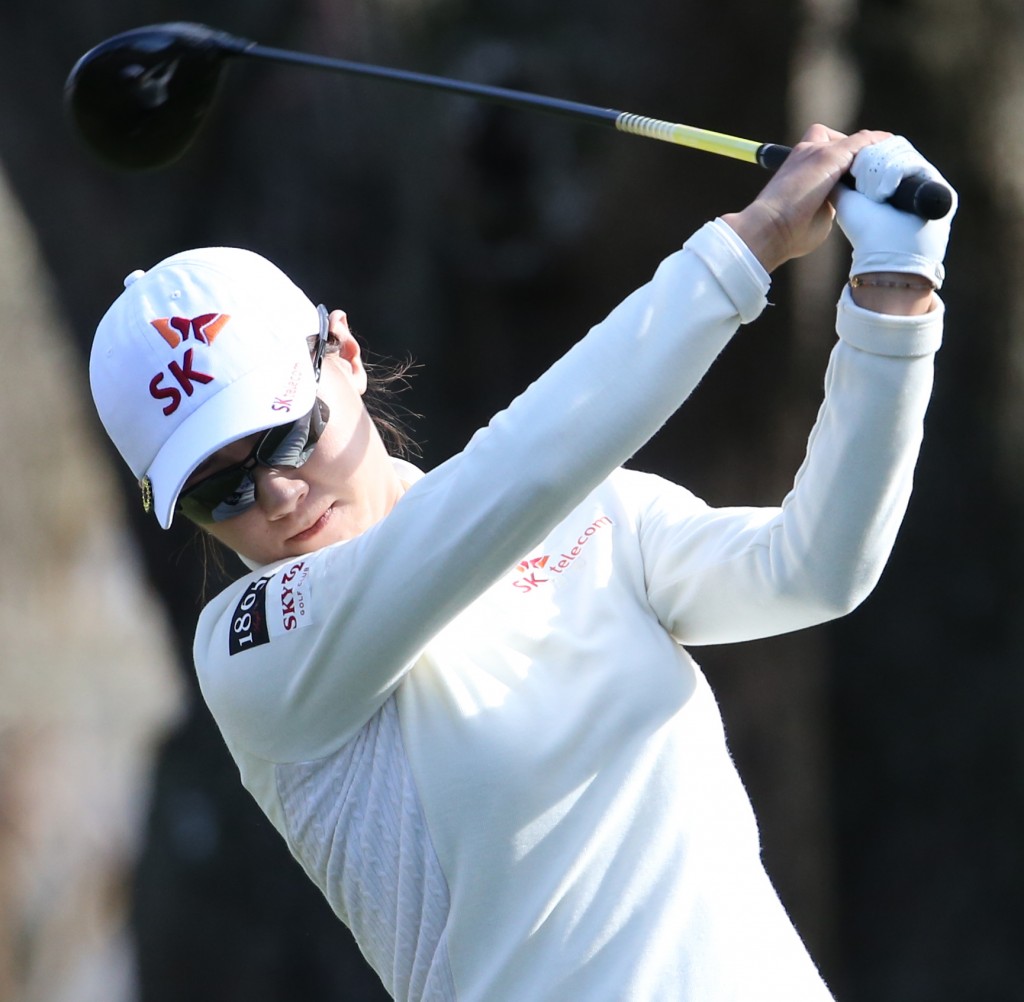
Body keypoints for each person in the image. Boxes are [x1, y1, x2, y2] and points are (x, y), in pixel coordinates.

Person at [89, 125, 954, 1001]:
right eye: (219, 490)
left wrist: (894, 291)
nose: (275, 495)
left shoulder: (590, 510)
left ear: (344, 354)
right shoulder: (251, 659)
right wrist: (750, 242)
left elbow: (813, 569)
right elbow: (512, 476)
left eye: (286, 433)